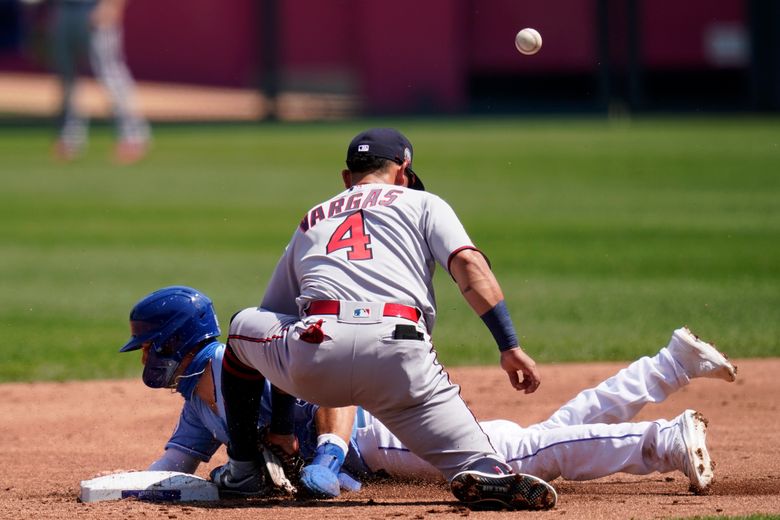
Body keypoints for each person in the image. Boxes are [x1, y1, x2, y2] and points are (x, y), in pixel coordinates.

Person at [120, 286, 737, 498]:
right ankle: (666, 366)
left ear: (173, 341)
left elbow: (331, 385)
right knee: (526, 442)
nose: (146, 359)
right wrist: (118, 490)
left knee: (519, 457)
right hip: (378, 442)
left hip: (381, 433)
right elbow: (169, 471)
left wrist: (331, 455)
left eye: (148, 346)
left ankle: (662, 439)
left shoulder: (242, 359)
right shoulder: (199, 406)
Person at [49, 0, 150, 163]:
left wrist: (111, 5)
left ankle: (132, 135)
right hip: (65, 8)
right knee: (67, 77)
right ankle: (70, 136)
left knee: (111, 75)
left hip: (94, 7)